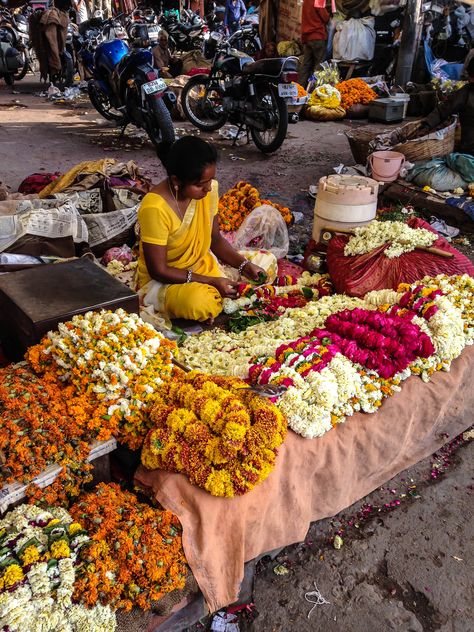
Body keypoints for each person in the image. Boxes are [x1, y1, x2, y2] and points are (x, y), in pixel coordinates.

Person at [136, 136, 268, 322]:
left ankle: (219, 288)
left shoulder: (210, 190)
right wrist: (213, 281)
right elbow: (158, 270)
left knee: (265, 263)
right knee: (200, 302)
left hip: (202, 265)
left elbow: (215, 239)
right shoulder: (155, 207)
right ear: (177, 181)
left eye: (210, 180)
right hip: (166, 280)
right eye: (199, 184)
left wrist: (244, 265)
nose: (208, 188)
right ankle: (209, 293)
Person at [421, 55, 474, 156]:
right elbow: (444, 109)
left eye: (471, 77)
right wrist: (426, 125)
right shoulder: (465, 92)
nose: (469, 79)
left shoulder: (465, 93)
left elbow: (444, 109)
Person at [299, 0, 330, 88]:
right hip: (318, 36)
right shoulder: (318, 1)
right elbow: (325, 17)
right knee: (319, 66)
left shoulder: (306, 1)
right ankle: (315, 89)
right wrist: (328, 13)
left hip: (307, 37)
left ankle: (299, 88)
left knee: (305, 65)